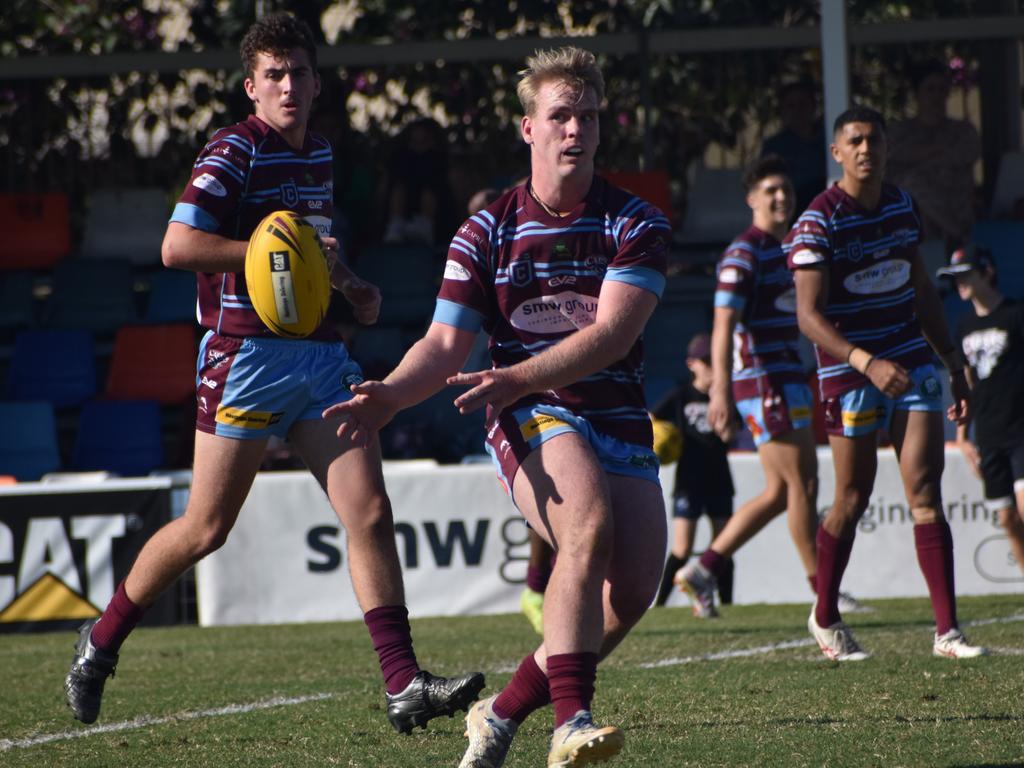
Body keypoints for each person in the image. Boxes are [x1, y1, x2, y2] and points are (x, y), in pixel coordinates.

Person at [63, 12, 483, 729]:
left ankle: (404, 685)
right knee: (205, 528)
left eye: (299, 74)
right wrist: (262, 250)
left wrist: (348, 283)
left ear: (318, 83)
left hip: (320, 356)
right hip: (245, 357)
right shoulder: (233, 151)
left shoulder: (317, 152)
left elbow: (310, 241)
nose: (288, 86)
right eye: (274, 75)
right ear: (252, 87)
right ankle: (98, 644)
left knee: (371, 513)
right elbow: (176, 246)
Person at [325, 46, 671, 768]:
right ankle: (571, 721)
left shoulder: (636, 222)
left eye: (588, 116)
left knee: (635, 588)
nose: (575, 129)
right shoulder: (484, 232)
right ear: (528, 129)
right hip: (532, 413)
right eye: (560, 116)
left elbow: (611, 338)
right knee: (587, 522)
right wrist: (391, 392)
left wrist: (514, 374)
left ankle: (502, 711)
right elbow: (446, 344)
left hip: (616, 412)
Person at [785, 105, 986, 661]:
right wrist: (865, 361)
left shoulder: (901, 205)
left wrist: (950, 358)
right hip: (850, 372)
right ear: (838, 153)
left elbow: (920, 285)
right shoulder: (818, 221)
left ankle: (947, 632)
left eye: (874, 138)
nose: (866, 148)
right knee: (852, 496)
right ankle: (824, 615)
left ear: (887, 146)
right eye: (855, 140)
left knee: (924, 490)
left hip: (911, 359)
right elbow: (807, 315)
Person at [679, 156, 866, 619]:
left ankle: (704, 568)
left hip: (787, 378)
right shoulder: (744, 252)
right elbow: (723, 324)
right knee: (802, 485)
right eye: (769, 191)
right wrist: (720, 389)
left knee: (783, 491)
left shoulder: (787, 249)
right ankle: (824, 592)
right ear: (751, 199)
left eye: (784, 189)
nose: (780, 197)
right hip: (764, 381)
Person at [938, 245, 1024, 576]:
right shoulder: (962, 327)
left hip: (1020, 429)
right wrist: (963, 438)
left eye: (965, 275)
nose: (959, 283)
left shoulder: (1015, 314)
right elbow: (967, 384)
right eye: (954, 277)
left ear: (987, 272)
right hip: (988, 433)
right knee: (1006, 517)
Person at [651, 333, 735, 612]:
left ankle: (728, 604)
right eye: (706, 361)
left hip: (719, 477)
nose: (712, 366)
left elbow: (732, 435)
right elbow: (653, 418)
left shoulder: (724, 397)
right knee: (682, 548)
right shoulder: (681, 395)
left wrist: (722, 415)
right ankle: (660, 606)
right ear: (691, 364)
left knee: (724, 544)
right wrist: (663, 439)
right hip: (689, 478)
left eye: (716, 360)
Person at [886, 59, 981, 246]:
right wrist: (938, 152)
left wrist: (918, 157)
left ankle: (955, 234)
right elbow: (891, 157)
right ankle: (955, 235)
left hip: (956, 208)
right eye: (930, 89)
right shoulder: (899, 132)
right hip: (913, 222)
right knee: (910, 186)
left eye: (941, 89)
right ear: (918, 93)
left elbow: (967, 153)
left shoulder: (962, 131)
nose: (937, 96)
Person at [761, 79, 826, 215]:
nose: (798, 111)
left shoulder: (828, 140)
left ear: (814, 106)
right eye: (791, 106)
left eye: (803, 104)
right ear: (782, 110)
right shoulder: (774, 147)